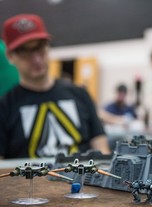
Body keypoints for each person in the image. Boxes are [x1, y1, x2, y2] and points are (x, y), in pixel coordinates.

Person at [0, 14, 111, 159]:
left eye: (40, 47)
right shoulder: (5, 107)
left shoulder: (80, 94)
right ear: (10, 56)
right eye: (24, 51)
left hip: (81, 179)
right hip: (29, 181)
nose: (36, 58)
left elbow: (101, 149)